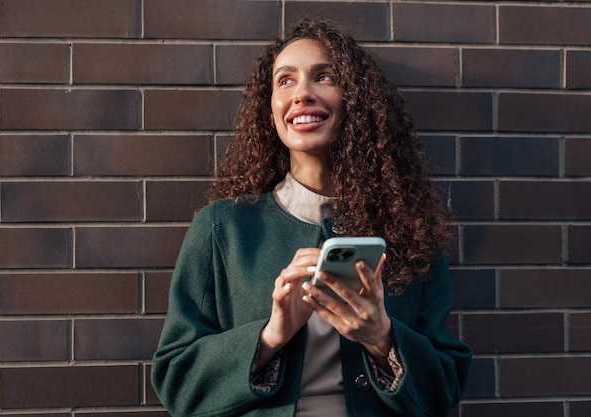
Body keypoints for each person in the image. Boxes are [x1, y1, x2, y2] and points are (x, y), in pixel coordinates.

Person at [151, 19, 472, 417]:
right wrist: (271, 336)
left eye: (324, 76)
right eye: (285, 81)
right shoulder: (223, 228)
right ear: (271, 114)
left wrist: (382, 339)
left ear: (354, 100)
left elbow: (445, 389)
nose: (302, 93)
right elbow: (175, 381)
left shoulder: (408, 230)